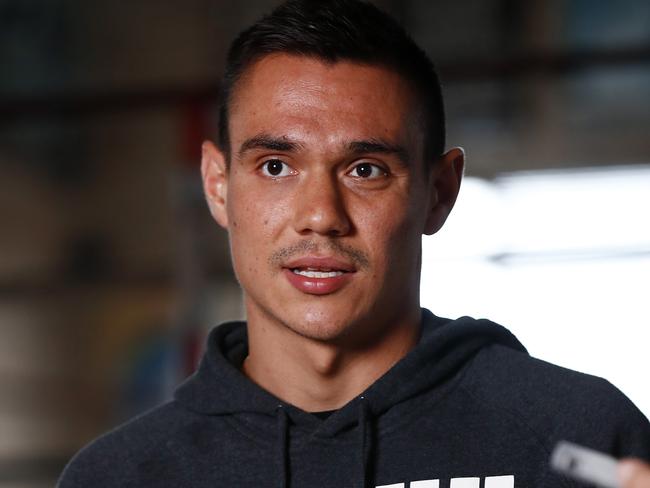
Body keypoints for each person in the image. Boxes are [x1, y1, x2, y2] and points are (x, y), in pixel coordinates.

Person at [58, 1, 650, 487]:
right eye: (273, 167)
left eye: (365, 170)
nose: (320, 217)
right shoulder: (119, 477)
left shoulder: (579, 443)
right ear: (218, 186)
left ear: (438, 193)